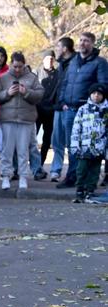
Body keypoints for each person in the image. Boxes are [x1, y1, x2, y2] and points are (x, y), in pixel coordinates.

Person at [57, 32, 108, 189]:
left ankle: (87, 179)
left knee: (90, 146)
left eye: (86, 41)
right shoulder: (72, 62)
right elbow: (65, 83)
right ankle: (72, 176)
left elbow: (103, 85)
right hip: (70, 110)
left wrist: (92, 104)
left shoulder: (100, 63)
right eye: (81, 40)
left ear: (92, 44)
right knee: (72, 144)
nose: (82, 43)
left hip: (88, 111)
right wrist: (62, 101)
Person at [0, 52, 44, 190]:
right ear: (11, 64)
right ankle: (6, 176)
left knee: (23, 150)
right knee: (6, 150)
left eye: (20, 67)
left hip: (26, 119)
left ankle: (23, 176)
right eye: (15, 66)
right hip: (7, 119)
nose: (17, 69)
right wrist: (7, 93)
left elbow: (40, 94)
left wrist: (26, 92)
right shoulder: (3, 78)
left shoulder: (32, 78)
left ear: (24, 65)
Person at [70, 83, 107, 202]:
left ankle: (90, 191)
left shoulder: (106, 111)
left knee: (95, 170)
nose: (96, 96)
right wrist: (75, 145)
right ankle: (80, 190)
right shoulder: (83, 109)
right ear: (90, 94)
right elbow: (76, 129)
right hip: (84, 147)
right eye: (94, 93)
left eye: (99, 94)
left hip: (99, 146)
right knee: (81, 169)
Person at [50, 37, 75, 182]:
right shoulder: (61, 64)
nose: (57, 49)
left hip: (69, 108)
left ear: (65, 49)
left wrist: (66, 102)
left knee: (71, 143)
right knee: (57, 141)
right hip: (58, 107)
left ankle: (71, 173)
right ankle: (55, 170)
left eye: (59, 47)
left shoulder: (76, 63)